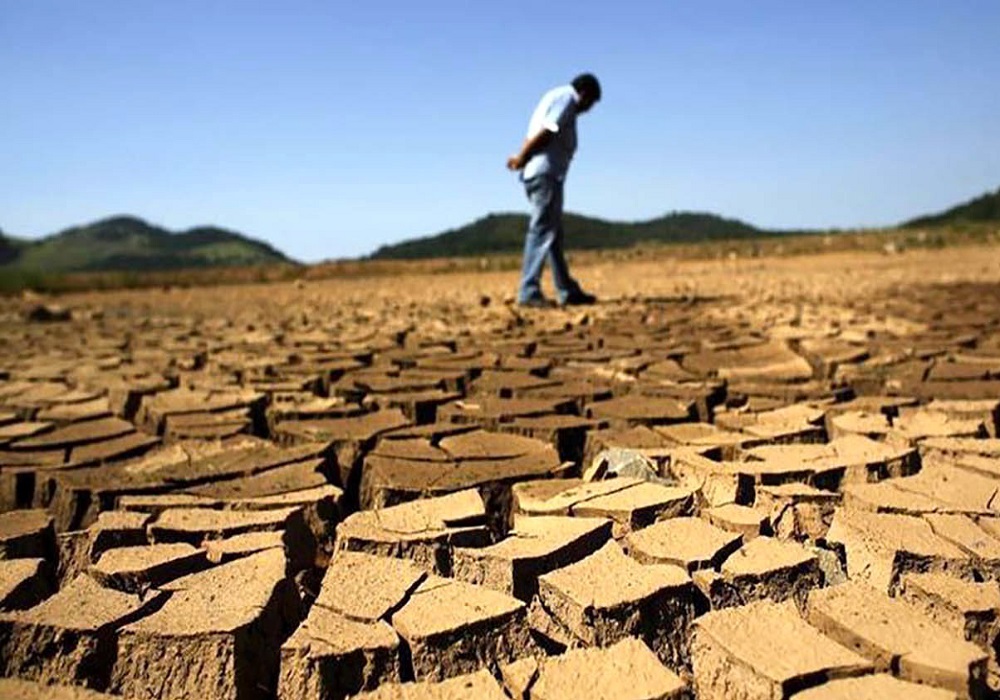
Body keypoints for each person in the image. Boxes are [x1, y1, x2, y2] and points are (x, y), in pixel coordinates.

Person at [506, 73, 601, 308]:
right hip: (545, 174)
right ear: (585, 94)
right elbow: (548, 129)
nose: (588, 110)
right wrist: (522, 156)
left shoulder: (555, 97)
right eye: (590, 104)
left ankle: (567, 289)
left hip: (541, 174)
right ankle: (528, 291)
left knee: (553, 235)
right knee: (542, 232)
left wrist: (523, 157)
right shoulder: (566, 99)